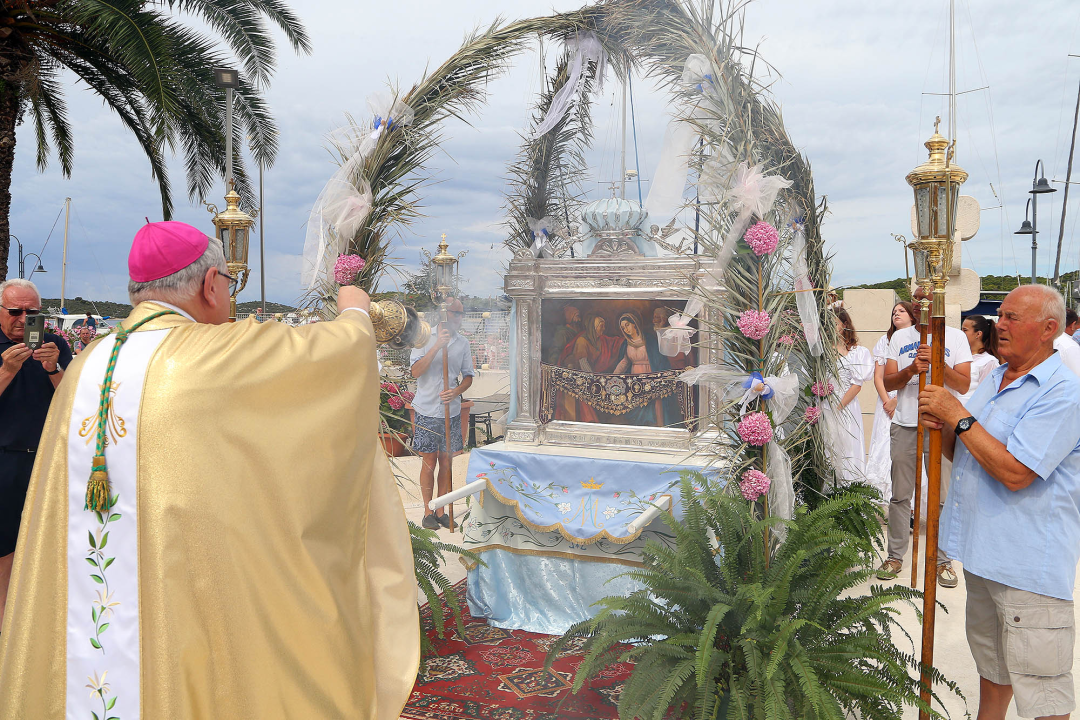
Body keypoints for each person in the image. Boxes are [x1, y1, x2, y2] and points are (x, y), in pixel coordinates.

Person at [0, 222, 418, 719]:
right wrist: (354, 309)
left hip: (95, 602)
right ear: (210, 284)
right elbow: (334, 357)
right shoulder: (213, 352)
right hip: (183, 599)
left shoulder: (92, 360)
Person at [919, 284, 1080, 720]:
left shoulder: (1064, 392)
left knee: (1042, 693)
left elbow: (1015, 473)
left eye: (1011, 317)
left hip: (1026, 567)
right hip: (982, 555)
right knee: (993, 673)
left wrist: (957, 416)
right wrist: (945, 429)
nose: (999, 324)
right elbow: (974, 455)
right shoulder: (996, 376)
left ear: (1048, 329)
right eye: (1001, 314)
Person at [878, 287, 971, 586]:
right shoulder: (900, 338)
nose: (923, 305)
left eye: (929, 300)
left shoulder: (955, 337)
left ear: (939, 302)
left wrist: (937, 364)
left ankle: (943, 560)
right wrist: (910, 370)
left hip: (941, 426)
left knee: (942, 497)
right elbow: (889, 381)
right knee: (900, 495)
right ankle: (895, 555)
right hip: (906, 423)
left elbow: (964, 384)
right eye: (917, 300)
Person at [0, 278, 72, 631]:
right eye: (15, 311)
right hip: (5, 460)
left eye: (32, 312)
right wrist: (7, 371)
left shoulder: (55, 344)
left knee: (47, 547)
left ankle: (41, 627)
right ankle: (6, 633)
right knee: (6, 552)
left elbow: (75, 402)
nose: (23, 318)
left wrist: (54, 369)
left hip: (47, 459)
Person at [411, 298, 475, 530]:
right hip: (427, 409)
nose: (458, 318)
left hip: (451, 410)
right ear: (444, 314)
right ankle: (428, 510)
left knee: (446, 460)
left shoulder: (463, 343)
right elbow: (415, 371)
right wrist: (437, 346)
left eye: (461, 314)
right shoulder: (424, 338)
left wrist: (457, 391)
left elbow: (468, 375)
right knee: (429, 461)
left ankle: (441, 509)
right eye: (454, 313)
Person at [865, 301, 917, 502]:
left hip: (908, 398)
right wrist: (887, 401)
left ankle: (909, 500)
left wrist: (897, 399)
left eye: (902, 311)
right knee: (884, 445)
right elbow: (879, 377)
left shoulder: (918, 339)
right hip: (886, 402)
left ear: (912, 315)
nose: (896, 314)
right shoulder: (884, 341)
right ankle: (883, 497)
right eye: (894, 312)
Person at [825, 307, 873, 484]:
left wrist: (837, 407)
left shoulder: (857, 353)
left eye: (834, 323)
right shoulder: (821, 352)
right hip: (823, 405)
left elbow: (857, 385)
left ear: (844, 325)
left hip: (846, 407)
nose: (830, 327)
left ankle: (849, 492)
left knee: (848, 448)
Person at [613, 311, 678, 427]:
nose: (626, 329)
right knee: (637, 409)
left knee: (653, 408)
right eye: (623, 327)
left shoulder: (649, 340)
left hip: (651, 377)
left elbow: (659, 360)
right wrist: (613, 376)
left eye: (627, 325)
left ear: (634, 323)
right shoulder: (626, 343)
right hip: (634, 380)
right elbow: (624, 362)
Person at [556, 313, 625, 422]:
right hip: (580, 379)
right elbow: (583, 364)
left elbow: (613, 342)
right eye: (601, 326)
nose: (604, 328)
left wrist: (626, 341)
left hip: (593, 376)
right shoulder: (582, 341)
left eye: (604, 326)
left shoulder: (600, 339)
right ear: (593, 328)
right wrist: (594, 380)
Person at [960, 314, 1000, 404]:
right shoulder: (960, 357)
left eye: (965, 330)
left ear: (978, 334)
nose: (961, 333)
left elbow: (985, 395)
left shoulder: (989, 362)